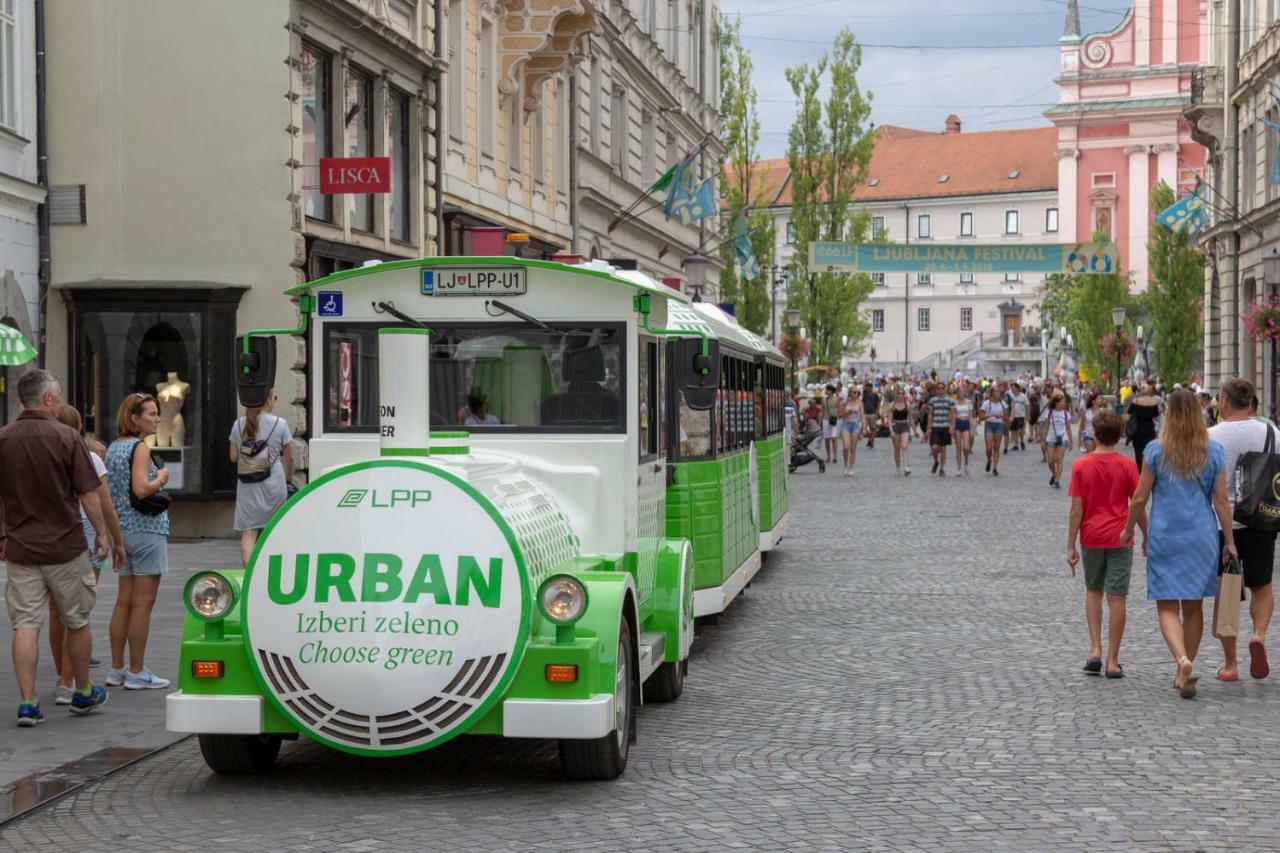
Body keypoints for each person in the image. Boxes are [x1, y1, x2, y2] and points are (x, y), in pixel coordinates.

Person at [0, 370, 113, 725]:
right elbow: (88, 492)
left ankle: (28, 703)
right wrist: (102, 533)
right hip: (65, 545)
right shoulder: (66, 436)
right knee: (77, 621)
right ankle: (82, 691)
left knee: (26, 624)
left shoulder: (3, 438)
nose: (60, 400)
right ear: (48, 399)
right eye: (59, 395)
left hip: (21, 548)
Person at [1122, 388, 1236, 699]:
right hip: (1201, 536)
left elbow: (1140, 497)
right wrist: (1230, 542)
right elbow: (1222, 501)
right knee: (1194, 605)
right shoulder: (1214, 452)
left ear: (1169, 415)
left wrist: (1129, 529)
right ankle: (1182, 670)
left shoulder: (1156, 451)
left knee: (1167, 604)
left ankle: (1181, 660)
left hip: (1165, 534)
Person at [48, 405, 124, 705]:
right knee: (77, 612)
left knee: (56, 612)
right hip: (86, 534)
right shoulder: (89, 457)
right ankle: (69, 682)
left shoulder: (48, 455)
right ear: (78, 426)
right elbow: (104, 504)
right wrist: (116, 541)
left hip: (53, 534)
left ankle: (60, 675)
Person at [1209, 378, 1279, 682]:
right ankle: (1259, 635)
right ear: (1251, 402)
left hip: (1223, 524)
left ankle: (1230, 665)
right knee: (1262, 585)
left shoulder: (1210, 436)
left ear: (1225, 400)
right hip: (1261, 518)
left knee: (1228, 592)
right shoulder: (1271, 432)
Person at [1068, 409, 1144, 679]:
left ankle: (1095, 651)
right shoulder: (1127, 465)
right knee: (1118, 596)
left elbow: (1077, 509)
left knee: (1094, 590)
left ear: (1095, 434)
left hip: (1091, 536)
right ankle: (1113, 660)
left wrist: (1070, 545)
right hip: (1120, 537)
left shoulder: (1081, 465)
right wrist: (1145, 534)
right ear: (1119, 434)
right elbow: (1137, 503)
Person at [105, 393, 172, 691]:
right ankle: (136, 671)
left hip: (123, 530)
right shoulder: (140, 448)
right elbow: (142, 488)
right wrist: (162, 478)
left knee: (123, 602)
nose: (157, 419)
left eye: (157, 414)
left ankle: (116, 668)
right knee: (143, 604)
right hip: (146, 529)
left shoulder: (114, 448)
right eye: (151, 414)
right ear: (134, 418)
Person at [229, 389, 295, 566]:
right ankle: (270, 569)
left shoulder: (238, 424)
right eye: (274, 397)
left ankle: (249, 573)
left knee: (249, 532)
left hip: (247, 483)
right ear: (267, 400)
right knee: (274, 528)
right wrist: (288, 479)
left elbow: (233, 457)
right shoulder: (280, 424)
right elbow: (289, 457)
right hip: (274, 482)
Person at [1127, 382, 1161, 471]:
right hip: (1149, 429)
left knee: (1138, 451)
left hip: (1137, 429)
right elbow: (1155, 416)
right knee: (1149, 450)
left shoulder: (1135, 401)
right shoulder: (1153, 402)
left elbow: (1129, 414)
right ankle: (1148, 469)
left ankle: (1139, 470)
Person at [924, 382, 955, 476]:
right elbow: (930, 414)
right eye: (938, 388)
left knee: (944, 447)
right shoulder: (932, 400)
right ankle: (936, 461)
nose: (940, 390)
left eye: (942, 388)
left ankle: (941, 468)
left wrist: (952, 427)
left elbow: (953, 414)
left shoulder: (950, 400)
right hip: (935, 425)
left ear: (944, 389)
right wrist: (929, 427)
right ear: (936, 390)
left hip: (945, 426)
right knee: (934, 447)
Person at [1044, 393, 1072, 488]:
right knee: (1051, 461)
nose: (1063, 404)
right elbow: (1046, 426)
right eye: (1061, 402)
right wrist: (1043, 439)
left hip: (1063, 438)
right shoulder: (1050, 412)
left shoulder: (1066, 413)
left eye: (1064, 402)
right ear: (1056, 403)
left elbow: (1068, 428)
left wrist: (1071, 441)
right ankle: (1054, 474)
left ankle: (1057, 480)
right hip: (1051, 438)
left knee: (1059, 459)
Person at [979, 385, 1008, 476]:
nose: (998, 393)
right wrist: (991, 414)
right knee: (988, 448)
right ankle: (989, 460)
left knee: (996, 447)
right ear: (991, 393)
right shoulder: (986, 403)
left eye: (999, 391)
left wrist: (1001, 416)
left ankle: (995, 468)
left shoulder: (1003, 404)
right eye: (996, 391)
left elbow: (1006, 418)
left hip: (999, 425)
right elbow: (981, 418)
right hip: (989, 425)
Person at [887, 387, 912, 476]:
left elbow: (910, 418)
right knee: (897, 449)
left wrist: (914, 429)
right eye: (899, 393)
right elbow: (889, 419)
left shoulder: (907, 405)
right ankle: (898, 467)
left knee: (904, 446)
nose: (900, 395)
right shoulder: (892, 405)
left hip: (905, 425)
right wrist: (891, 431)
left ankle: (906, 466)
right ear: (896, 394)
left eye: (902, 393)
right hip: (895, 426)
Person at [839, 387, 863, 476]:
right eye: (854, 392)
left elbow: (862, 415)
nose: (856, 394)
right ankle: (845, 464)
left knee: (853, 448)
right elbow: (839, 415)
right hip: (846, 424)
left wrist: (864, 427)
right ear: (850, 393)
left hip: (856, 425)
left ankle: (851, 467)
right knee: (846, 447)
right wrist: (846, 413)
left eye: (857, 392)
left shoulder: (859, 403)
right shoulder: (844, 403)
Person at [952, 383, 973, 476]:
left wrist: (972, 429)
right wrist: (952, 427)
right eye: (960, 391)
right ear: (957, 393)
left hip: (966, 423)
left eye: (963, 391)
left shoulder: (969, 402)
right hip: (958, 422)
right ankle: (959, 468)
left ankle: (966, 462)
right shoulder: (954, 402)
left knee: (966, 447)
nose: (961, 393)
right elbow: (953, 416)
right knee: (958, 447)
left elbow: (971, 416)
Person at [821, 384, 840, 465]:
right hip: (826, 419)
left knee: (834, 438)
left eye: (827, 390)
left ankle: (835, 456)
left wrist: (839, 418)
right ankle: (828, 456)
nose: (826, 391)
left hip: (834, 420)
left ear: (831, 391)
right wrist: (820, 421)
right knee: (827, 439)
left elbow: (839, 409)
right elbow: (822, 410)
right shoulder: (824, 399)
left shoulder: (837, 399)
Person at [1008, 382, 1030, 451]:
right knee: (1014, 430)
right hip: (1013, 416)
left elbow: (1027, 406)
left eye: (1013, 388)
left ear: (1017, 388)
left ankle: (1022, 440)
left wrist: (1028, 415)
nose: (1012, 390)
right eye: (1011, 388)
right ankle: (1016, 445)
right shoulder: (1011, 396)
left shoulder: (1023, 396)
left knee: (1019, 430)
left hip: (1021, 416)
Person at [862, 381, 880, 449]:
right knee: (865, 428)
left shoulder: (875, 395)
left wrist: (876, 413)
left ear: (871, 388)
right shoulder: (864, 395)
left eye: (869, 388)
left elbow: (878, 404)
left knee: (873, 428)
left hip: (873, 414)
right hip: (865, 414)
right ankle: (869, 438)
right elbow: (862, 404)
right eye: (867, 388)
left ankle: (872, 441)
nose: (868, 389)